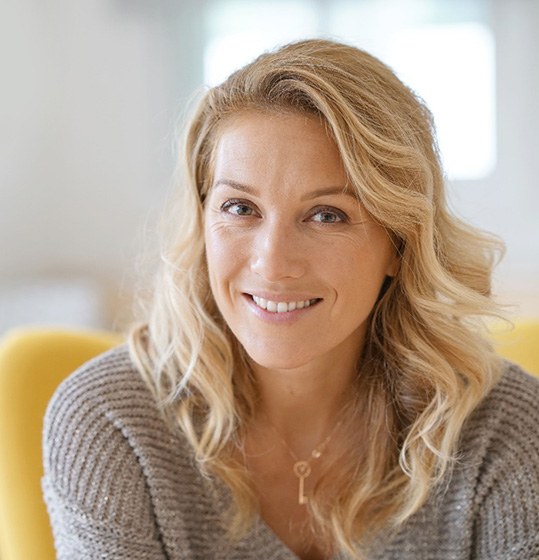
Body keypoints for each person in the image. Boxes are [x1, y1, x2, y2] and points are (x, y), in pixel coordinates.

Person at [42, 39, 539, 559]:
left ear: (401, 242)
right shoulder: (110, 424)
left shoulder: (505, 433)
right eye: (240, 207)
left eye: (327, 215)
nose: (272, 263)